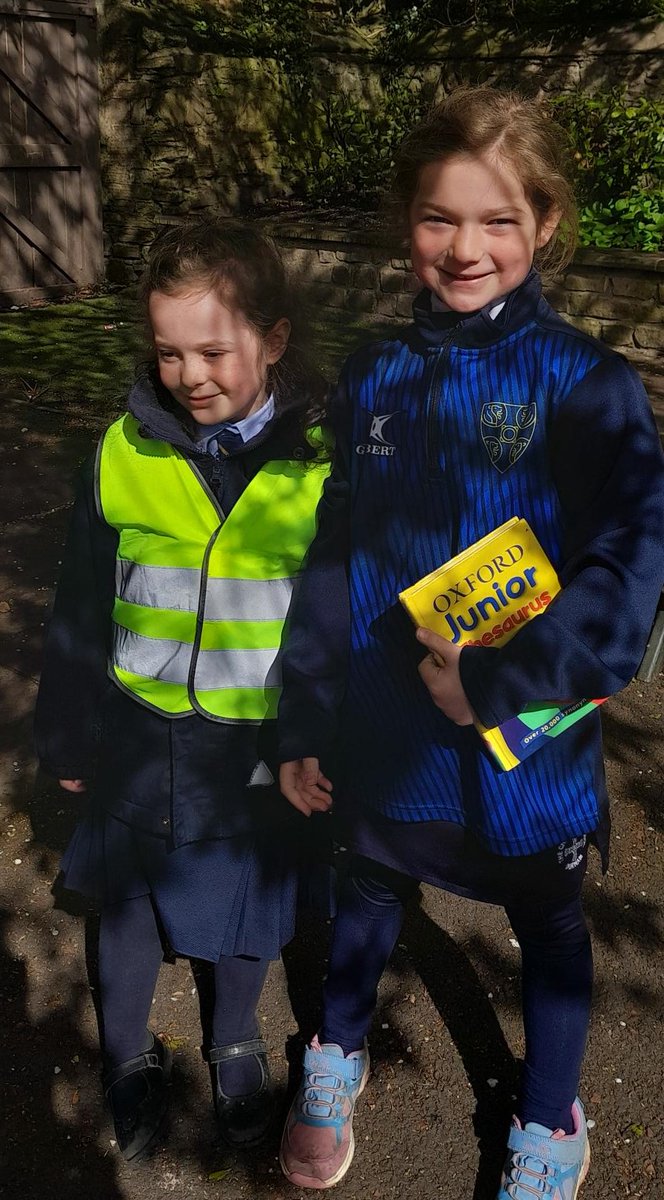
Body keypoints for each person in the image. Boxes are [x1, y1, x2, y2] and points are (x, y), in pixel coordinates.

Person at [277, 87, 664, 1198]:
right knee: (363, 895)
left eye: (497, 221)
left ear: (543, 224)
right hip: (382, 734)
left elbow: (628, 576)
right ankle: (334, 1054)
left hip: (521, 754)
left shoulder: (589, 386)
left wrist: (499, 681)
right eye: (438, 219)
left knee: (548, 923)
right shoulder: (371, 374)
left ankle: (550, 1115)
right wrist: (303, 710)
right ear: (406, 222)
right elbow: (329, 556)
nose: (465, 248)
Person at [34, 216, 331, 1163]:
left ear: (273, 340)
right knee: (124, 906)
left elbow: (334, 620)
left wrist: (321, 735)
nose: (189, 373)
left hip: (252, 742)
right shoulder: (124, 448)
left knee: (244, 908)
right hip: (135, 725)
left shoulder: (320, 463)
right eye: (168, 351)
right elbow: (81, 600)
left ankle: (234, 1037)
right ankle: (127, 1055)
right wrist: (67, 731)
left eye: (214, 349)